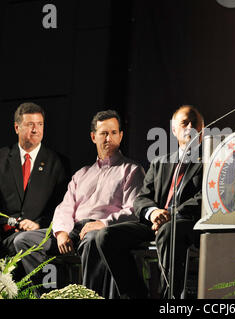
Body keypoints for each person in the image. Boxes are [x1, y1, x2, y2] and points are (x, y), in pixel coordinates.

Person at [13, 110, 145, 297]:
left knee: (93, 239)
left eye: (114, 133)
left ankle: (90, 296)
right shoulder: (82, 173)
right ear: (93, 137)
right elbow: (65, 207)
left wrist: (103, 223)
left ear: (121, 136)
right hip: (74, 230)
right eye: (104, 133)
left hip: (102, 231)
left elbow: (133, 209)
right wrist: (61, 233)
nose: (109, 138)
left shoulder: (131, 170)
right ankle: (53, 296)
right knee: (24, 240)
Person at [95, 105, 204, 299]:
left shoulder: (211, 162)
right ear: (173, 129)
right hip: (155, 222)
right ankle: (136, 295)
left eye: (195, 123)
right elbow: (142, 198)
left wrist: (171, 214)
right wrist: (153, 213)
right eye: (185, 122)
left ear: (203, 129)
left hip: (187, 224)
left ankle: (166, 298)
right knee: (105, 236)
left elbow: (204, 198)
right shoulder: (159, 163)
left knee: (169, 230)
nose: (190, 127)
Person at [0, 102, 67, 265]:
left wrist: (39, 224)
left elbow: (62, 205)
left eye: (40, 124)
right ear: (17, 128)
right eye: (30, 124)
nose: (36, 130)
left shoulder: (57, 162)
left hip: (35, 232)